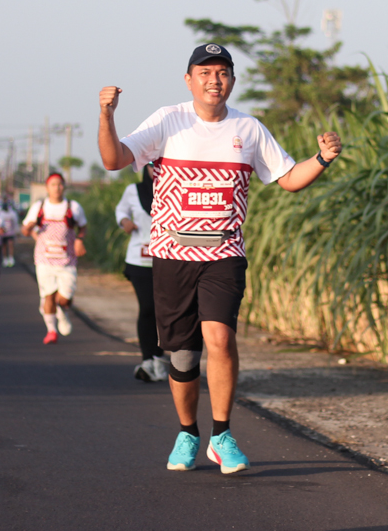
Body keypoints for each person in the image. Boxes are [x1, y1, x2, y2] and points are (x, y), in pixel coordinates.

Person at [98, 43, 342, 475]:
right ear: (189, 80)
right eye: (205, 72)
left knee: (221, 339)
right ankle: (187, 433)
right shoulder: (167, 121)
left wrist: (322, 159)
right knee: (183, 356)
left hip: (223, 252)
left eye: (223, 72)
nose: (215, 80)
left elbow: (288, 178)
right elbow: (114, 159)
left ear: (232, 80)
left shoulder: (248, 129)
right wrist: (107, 116)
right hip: (172, 254)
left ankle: (223, 435)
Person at [115, 163, 169, 382]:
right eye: (152, 166)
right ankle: (148, 360)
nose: (156, 170)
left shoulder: (174, 188)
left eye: (161, 165)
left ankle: (159, 358)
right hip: (139, 260)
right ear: (145, 168)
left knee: (164, 312)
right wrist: (125, 221)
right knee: (147, 308)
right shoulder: (133, 190)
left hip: (168, 259)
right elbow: (121, 210)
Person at [21, 173, 88, 344]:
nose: (57, 188)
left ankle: (62, 311)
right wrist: (29, 228)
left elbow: (83, 227)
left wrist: (79, 240)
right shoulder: (39, 207)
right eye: (53, 185)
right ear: (47, 188)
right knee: (48, 296)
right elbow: (25, 230)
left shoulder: (73, 207)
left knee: (65, 298)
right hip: (44, 260)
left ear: (64, 187)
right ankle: (51, 330)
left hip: (67, 260)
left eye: (60, 184)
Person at [0, 198, 19, 268]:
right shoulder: (1, 213)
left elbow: (15, 223)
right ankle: (5, 259)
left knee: (10, 245)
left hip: (11, 233)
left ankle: (11, 258)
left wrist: (16, 231)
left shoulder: (12, 213)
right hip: (3, 234)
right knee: (4, 246)